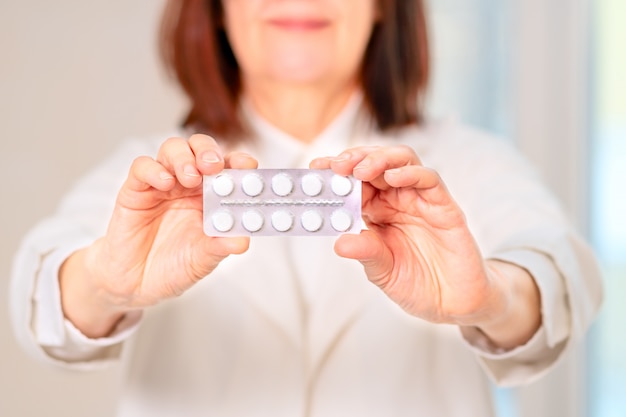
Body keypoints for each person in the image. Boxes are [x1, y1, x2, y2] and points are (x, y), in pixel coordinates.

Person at [10, 0, 602, 416]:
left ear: (381, 7)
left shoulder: (468, 162)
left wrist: (491, 298)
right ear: (217, 8)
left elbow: (562, 275)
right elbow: (41, 294)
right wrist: (102, 284)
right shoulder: (150, 175)